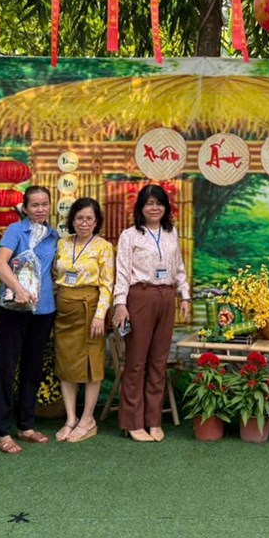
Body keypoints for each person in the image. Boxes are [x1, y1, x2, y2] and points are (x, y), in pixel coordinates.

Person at [112, 184, 191, 442]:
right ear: (141, 207)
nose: (154, 208)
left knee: (159, 361)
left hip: (166, 296)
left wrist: (184, 295)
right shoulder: (130, 235)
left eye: (159, 203)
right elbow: (122, 272)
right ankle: (133, 422)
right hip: (140, 297)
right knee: (136, 362)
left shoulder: (171, 233)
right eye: (149, 203)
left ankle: (153, 420)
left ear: (166, 207)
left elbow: (178, 267)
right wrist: (120, 304)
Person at [0, 186, 59, 454]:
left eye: (45, 204)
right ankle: (2, 431)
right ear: (25, 208)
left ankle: (26, 425)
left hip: (43, 309)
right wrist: (19, 290)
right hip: (15, 308)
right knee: (6, 368)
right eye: (35, 205)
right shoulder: (16, 231)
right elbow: (0, 264)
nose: (40, 209)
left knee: (33, 368)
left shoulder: (53, 236)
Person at [53, 196, 115, 443]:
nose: (84, 223)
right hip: (64, 311)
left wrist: (100, 315)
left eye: (89, 218)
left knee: (92, 365)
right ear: (72, 220)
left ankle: (88, 419)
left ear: (96, 221)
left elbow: (107, 284)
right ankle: (71, 418)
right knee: (66, 363)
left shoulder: (103, 247)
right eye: (79, 218)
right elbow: (54, 275)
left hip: (90, 310)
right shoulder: (63, 243)